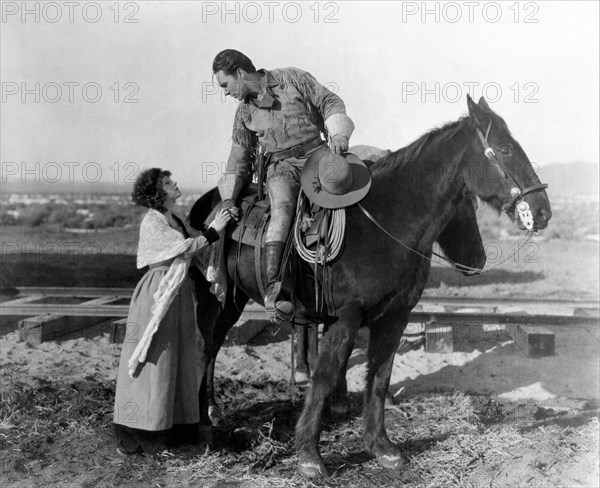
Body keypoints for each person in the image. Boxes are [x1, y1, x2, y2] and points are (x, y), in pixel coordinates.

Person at [212, 49, 355, 320]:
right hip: (281, 169)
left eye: (225, 84)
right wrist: (229, 198)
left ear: (240, 73)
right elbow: (238, 162)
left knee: (351, 193)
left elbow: (330, 101)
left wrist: (338, 134)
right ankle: (275, 289)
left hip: (319, 156)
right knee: (282, 211)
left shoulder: (293, 79)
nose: (225, 92)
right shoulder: (243, 114)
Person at [113, 168, 232, 454]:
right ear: (157, 192)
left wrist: (221, 229)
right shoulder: (152, 221)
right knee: (156, 357)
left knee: (178, 357)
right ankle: (142, 430)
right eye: (168, 182)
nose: (175, 183)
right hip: (158, 291)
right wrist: (215, 229)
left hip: (177, 292)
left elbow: (199, 245)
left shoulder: (176, 218)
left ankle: (174, 428)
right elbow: (184, 248)